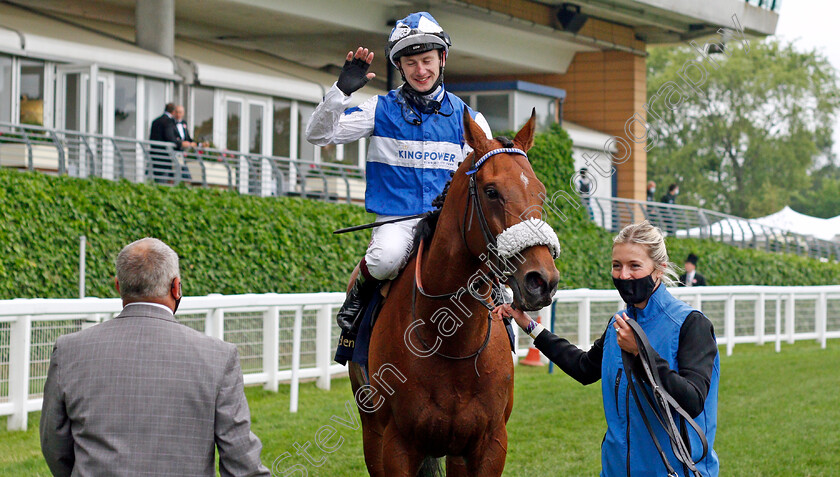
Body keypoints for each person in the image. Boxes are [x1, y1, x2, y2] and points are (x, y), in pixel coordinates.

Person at [306, 12, 492, 334]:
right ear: (400, 67)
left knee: (491, 259)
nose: (420, 70)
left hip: (449, 221)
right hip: (398, 220)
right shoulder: (378, 108)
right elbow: (319, 136)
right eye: (410, 63)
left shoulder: (470, 118)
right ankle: (357, 298)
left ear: (442, 58)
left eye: (427, 60)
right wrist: (340, 93)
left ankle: (503, 320)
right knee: (385, 258)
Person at [495, 221, 720, 476]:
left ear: (659, 269)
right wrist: (529, 325)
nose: (623, 275)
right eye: (617, 266)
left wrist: (641, 353)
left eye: (635, 266)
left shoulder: (691, 324)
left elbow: (693, 400)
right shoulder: (618, 324)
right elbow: (584, 368)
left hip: (675, 470)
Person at [40, 238, 271, 477]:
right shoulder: (219, 356)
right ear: (176, 287)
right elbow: (242, 463)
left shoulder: (69, 350)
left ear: (119, 286)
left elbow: (55, 446)